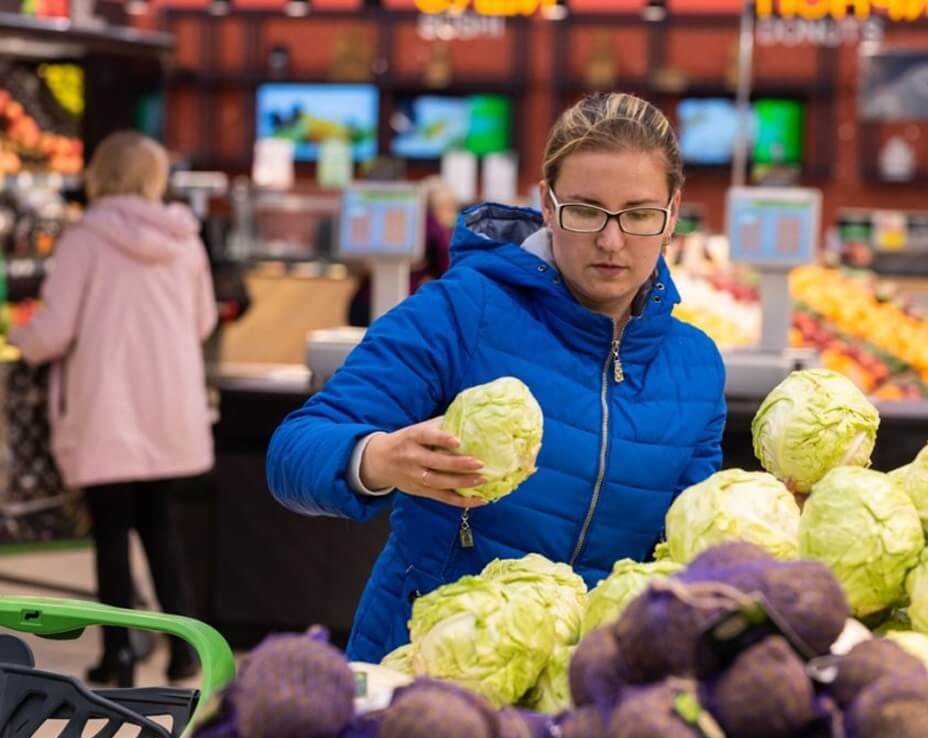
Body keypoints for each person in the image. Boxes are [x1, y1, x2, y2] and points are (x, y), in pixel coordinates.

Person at [267, 93, 727, 663]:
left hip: (590, 683)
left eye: (638, 214)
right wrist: (378, 457)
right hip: (435, 664)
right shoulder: (462, 312)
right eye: (586, 210)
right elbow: (293, 453)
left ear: (673, 214)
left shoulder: (696, 366)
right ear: (547, 202)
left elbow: (686, 547)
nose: (612, 241)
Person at [9, 131, 217, 687]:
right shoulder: (185, 239)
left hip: (106, 408)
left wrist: (17, 332)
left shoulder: (84, 239)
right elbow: (202, 323)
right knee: (159, 526)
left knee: (110, 532)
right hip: (166, 407)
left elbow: (54, 331)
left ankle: (118, 654)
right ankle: (184, 650)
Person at [346, 176, 458, 326]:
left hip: (362, 303)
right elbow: (448, 273)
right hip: (403, 306)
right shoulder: (436, 231)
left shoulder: (398, 219)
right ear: (444, 206)